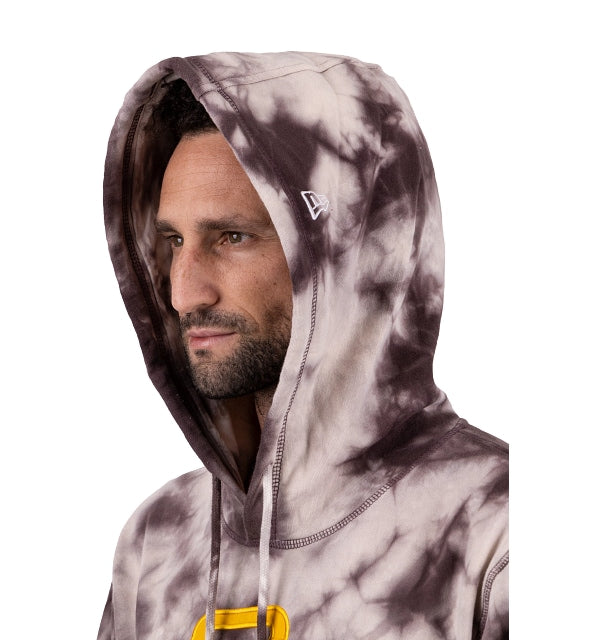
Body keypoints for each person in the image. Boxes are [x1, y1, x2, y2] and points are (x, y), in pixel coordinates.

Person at [98, 52, 509, 640]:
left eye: (232, 237)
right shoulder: (157, 544)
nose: (183, 294)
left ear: (351, 249)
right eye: (174, 241)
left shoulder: (495, 534)